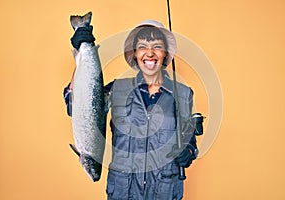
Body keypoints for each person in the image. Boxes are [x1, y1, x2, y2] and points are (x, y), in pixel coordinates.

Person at [64, 20, 199, 200]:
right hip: (123, 193)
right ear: (135, 54)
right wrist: (82, 52)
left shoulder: (183, 94)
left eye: (157, 46)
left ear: (165, 53)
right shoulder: (116, 90)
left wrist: (189, 152)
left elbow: (189, 138)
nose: (149, 52)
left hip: (165, 193)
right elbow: (76, 103)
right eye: (142, 46)